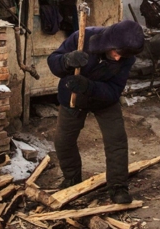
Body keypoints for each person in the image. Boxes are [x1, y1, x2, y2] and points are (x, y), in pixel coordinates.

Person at [48, 19, 144, 204]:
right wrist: (66, 61)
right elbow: (53, 61)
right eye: (117, 52)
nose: (117, 58)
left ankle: (118, 187)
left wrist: (89, 87)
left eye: (122, 56)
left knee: (116, 141)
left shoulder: (126, 58)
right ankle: (72, 178)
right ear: (109, 42)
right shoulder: (84, 38)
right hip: (73, 96)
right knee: (63, 140)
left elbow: (114, 90)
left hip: (103, 99)